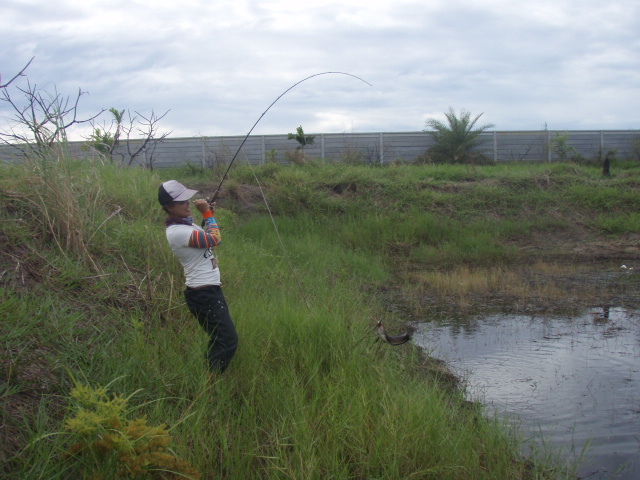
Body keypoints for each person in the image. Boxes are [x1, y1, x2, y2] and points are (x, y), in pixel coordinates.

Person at [158, 180, 238, 373]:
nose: (188, 204)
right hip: (203, 294)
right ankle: (210, 383)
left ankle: (209, 377)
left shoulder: (186, 224)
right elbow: (214, 239)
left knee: (221, 338)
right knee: (227, 340)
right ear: (169, 207)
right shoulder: (177, 232)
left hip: (208, 291)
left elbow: (205, 241)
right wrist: (207, 214)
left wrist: (208, 216)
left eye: (188, 199)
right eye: (182, 202)